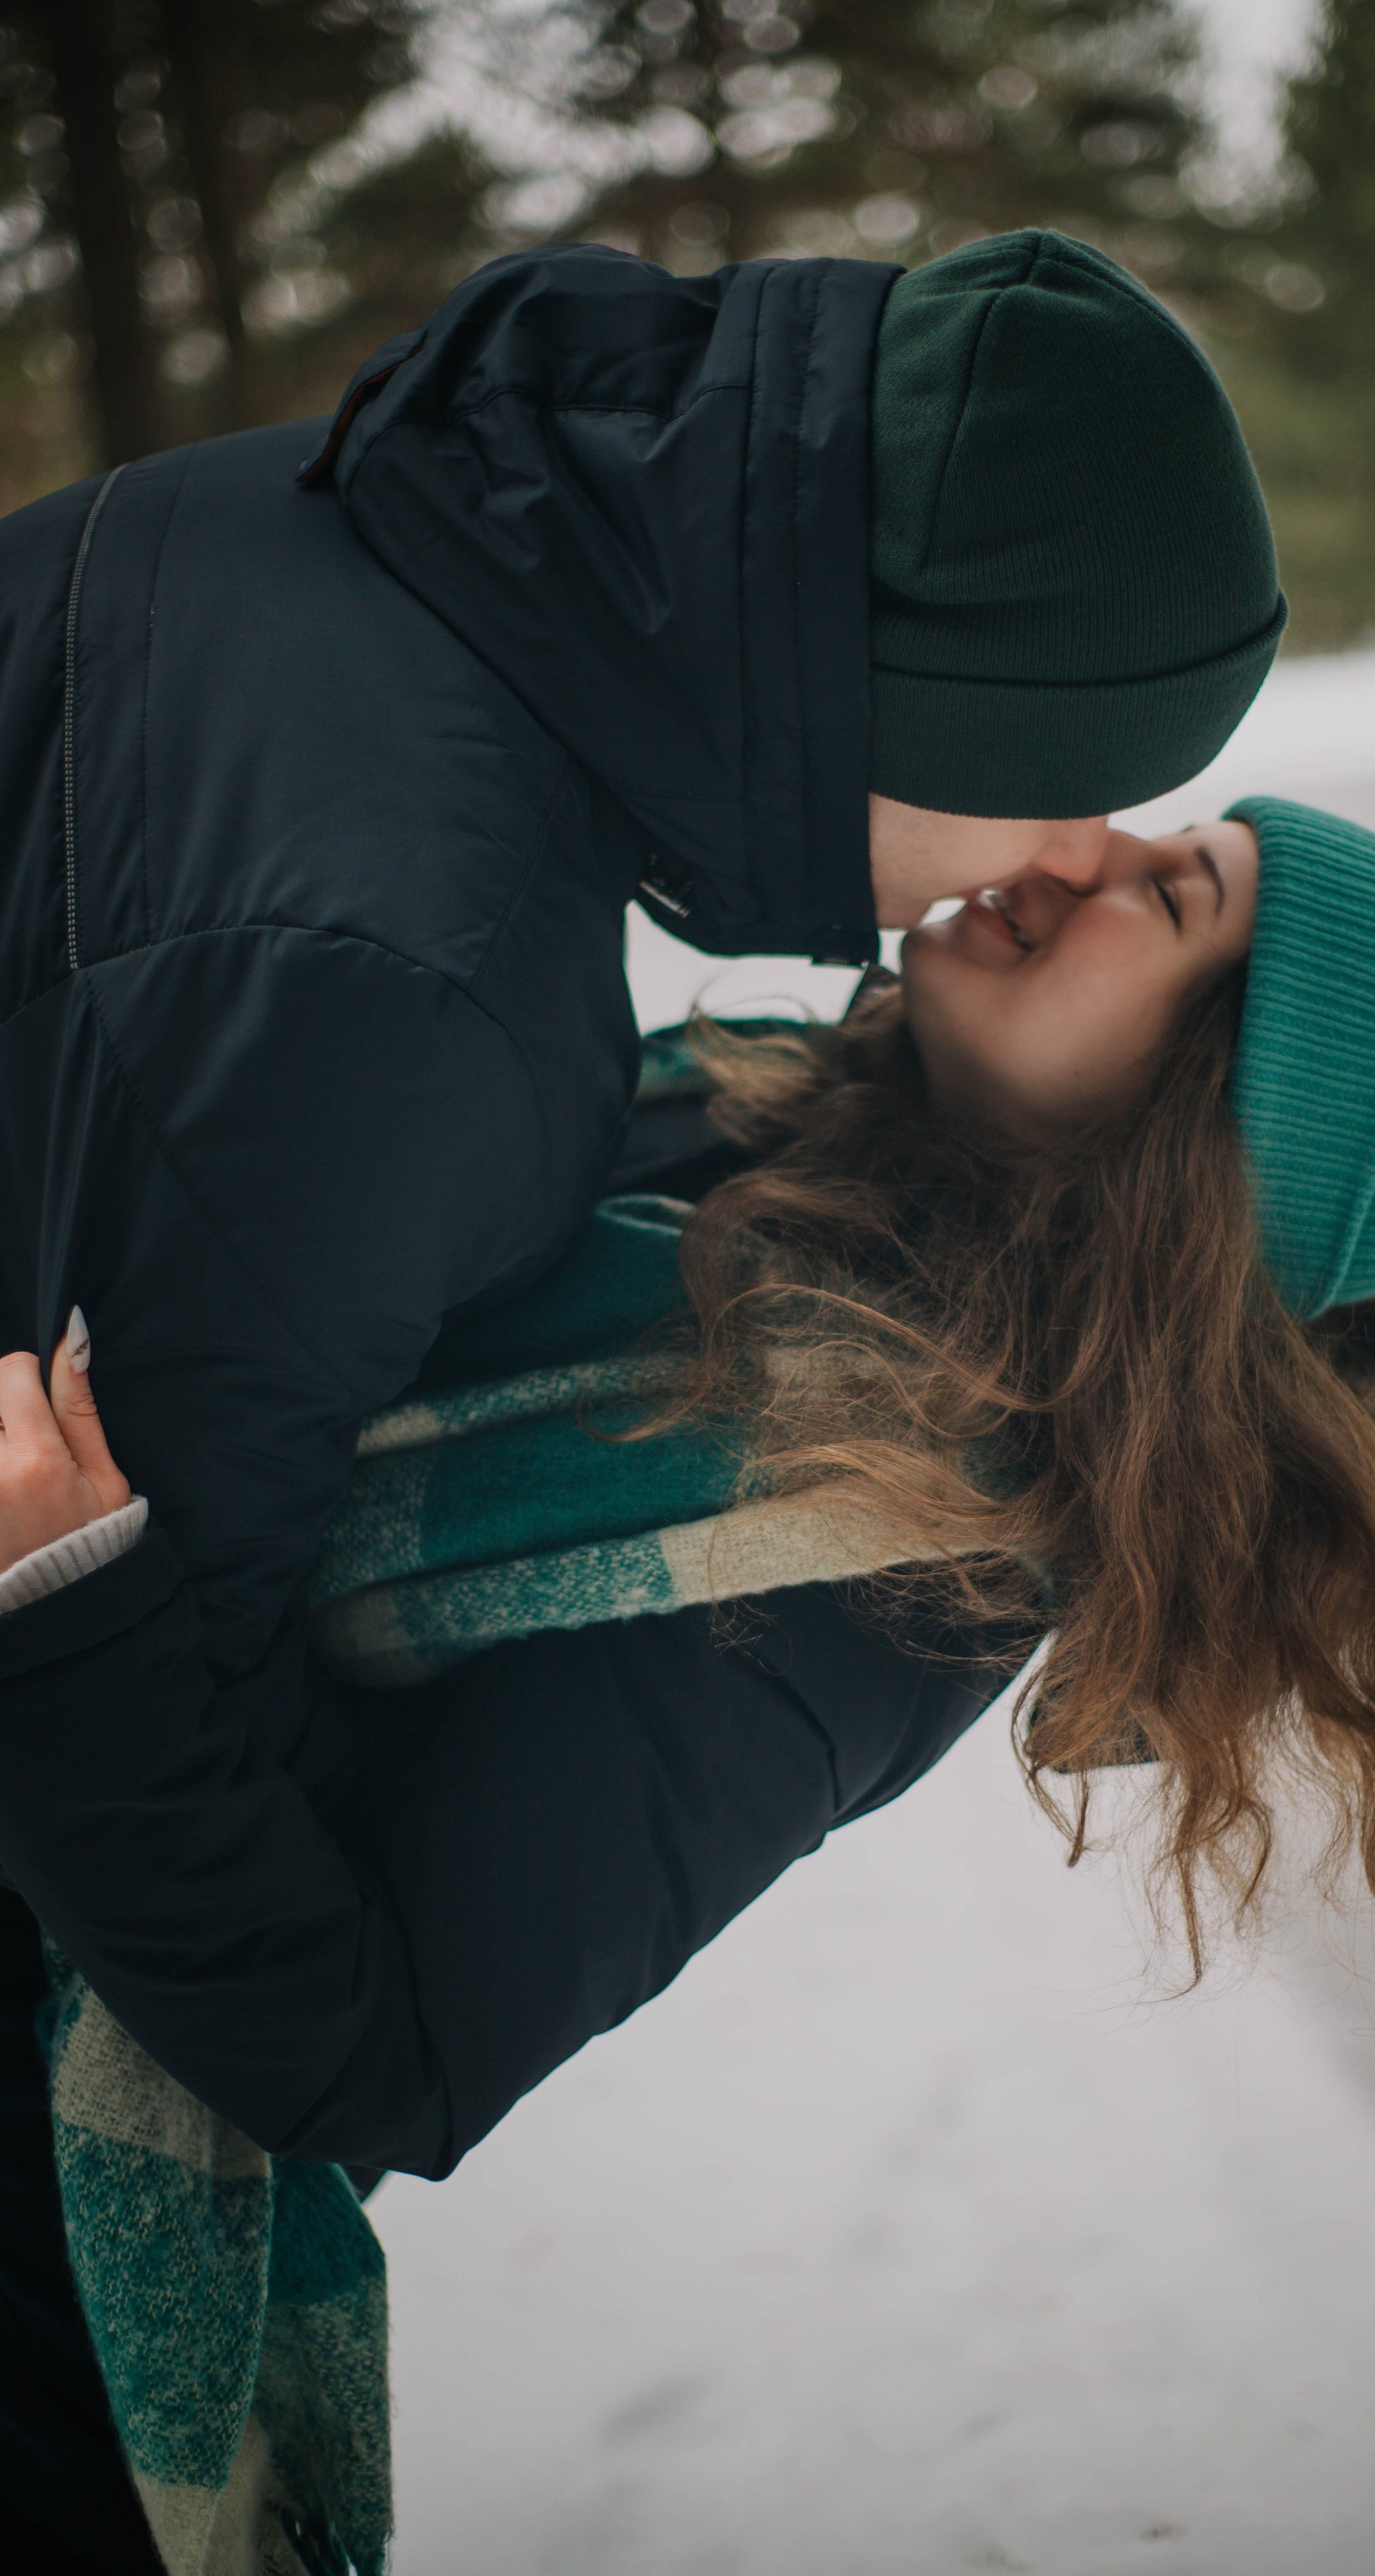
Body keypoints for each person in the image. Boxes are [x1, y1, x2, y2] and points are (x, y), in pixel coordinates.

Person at [0, 228, 1288, 2563]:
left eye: (1153, 862)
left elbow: (365, 1994)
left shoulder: (291, 532)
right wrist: (72, 1607)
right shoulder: (428, 979)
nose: (1074, 853)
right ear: (937, 679)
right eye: (1090, 789)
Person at [0, 783, 1375, 2571]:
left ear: (1208, 1126)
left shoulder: (880, 1559)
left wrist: (68, 1610)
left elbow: (373, 2051)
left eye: (1171, 895)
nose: (1081, 847)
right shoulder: (761, 1112)